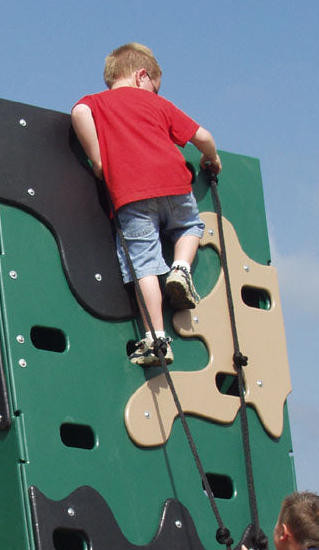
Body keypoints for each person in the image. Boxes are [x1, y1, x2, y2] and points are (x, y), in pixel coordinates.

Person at [71, 42, 221, 366]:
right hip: (175, 186)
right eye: (155, 86)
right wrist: (213, 159)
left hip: (132, 195)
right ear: (142, 76)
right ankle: (181, 267)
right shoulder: (159, 105)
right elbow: (204, 136)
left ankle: (156, 339)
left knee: (146, 264)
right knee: (191, 226)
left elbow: (78, 113)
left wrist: (98, 160)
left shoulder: (95, 103)